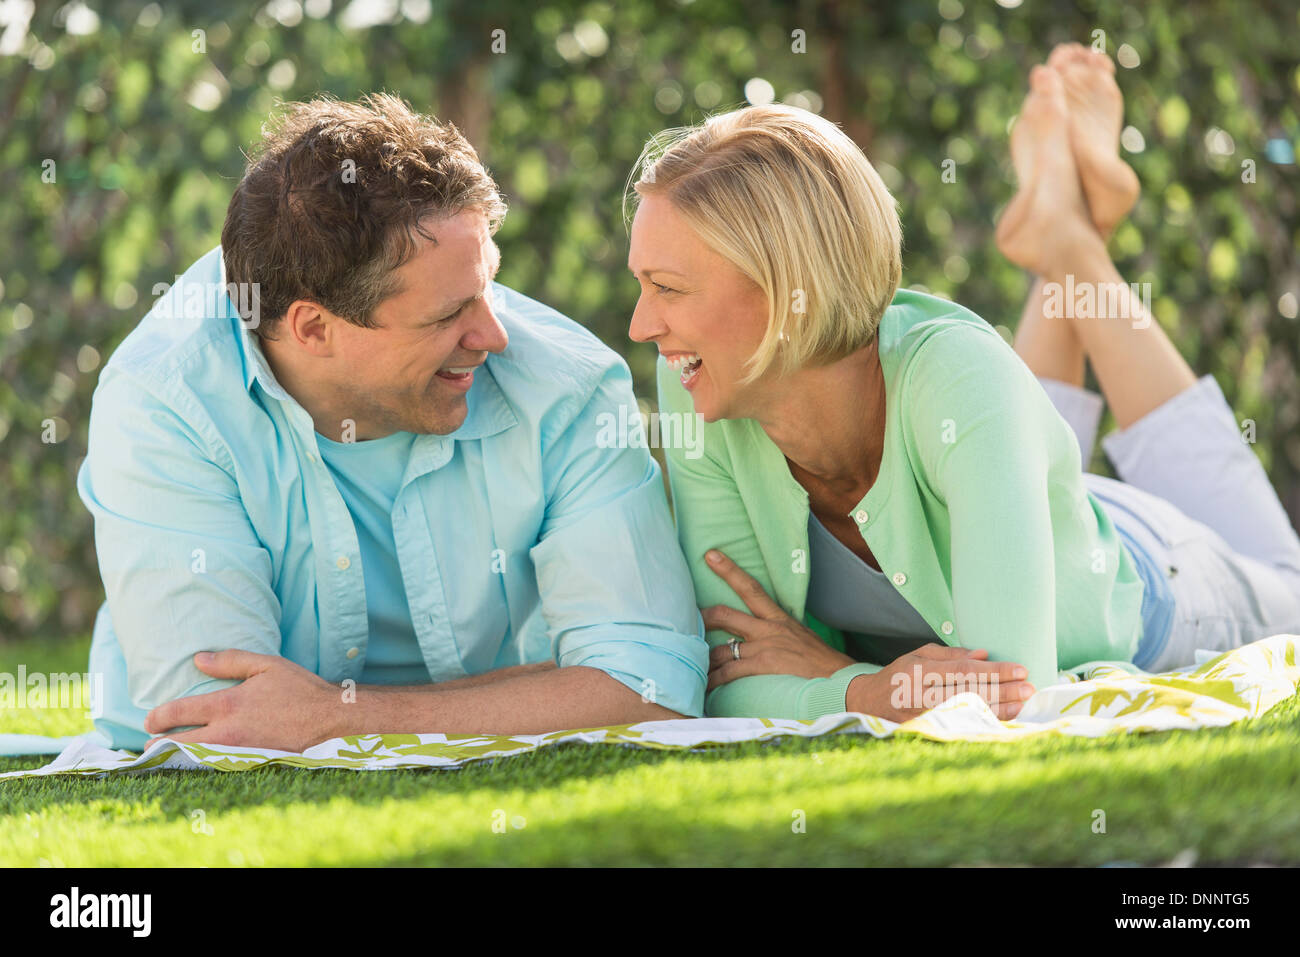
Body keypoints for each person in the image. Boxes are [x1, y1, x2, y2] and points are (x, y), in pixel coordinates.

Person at [626, 45, 1300, 724]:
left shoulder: (959, 375)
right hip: (1021, 503)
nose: (639, 325)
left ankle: (1069, 239)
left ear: (786, 289)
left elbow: (1008, 693)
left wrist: (834, 676)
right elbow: (729, 670)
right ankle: (1067, 217)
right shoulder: (699, 385)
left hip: (1158, 579)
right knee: (993, 409)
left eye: (668, 288)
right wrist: (865, 691)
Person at [78, 93, 708, 753]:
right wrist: (542, 688)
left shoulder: (566, 388)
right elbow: (218, 727)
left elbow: (648, 688)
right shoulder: (164, 401)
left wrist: (339, 715)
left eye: (488, 286)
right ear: (314, 328)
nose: (493, 335)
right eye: (446, 316)